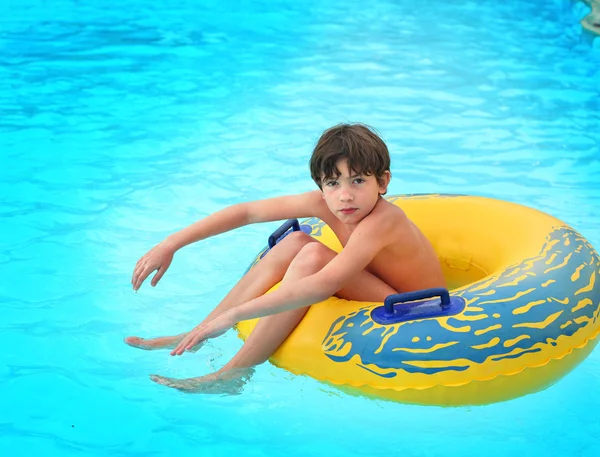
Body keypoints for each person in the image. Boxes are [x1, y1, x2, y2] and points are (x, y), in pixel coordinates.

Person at [125, 123, 446, 393]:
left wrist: (236, 315)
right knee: (296, 242)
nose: (345, 195)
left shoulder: (383, 221)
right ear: (321, 186)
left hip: (417, 308)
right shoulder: (328, 202)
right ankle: (195, 333)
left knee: (314, 255)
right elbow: (248, 212)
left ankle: (233, 375)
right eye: (333, 183)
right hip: (379, 287)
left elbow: (323, 284)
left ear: (384, 182)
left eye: (358, 180)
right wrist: (172, 243)